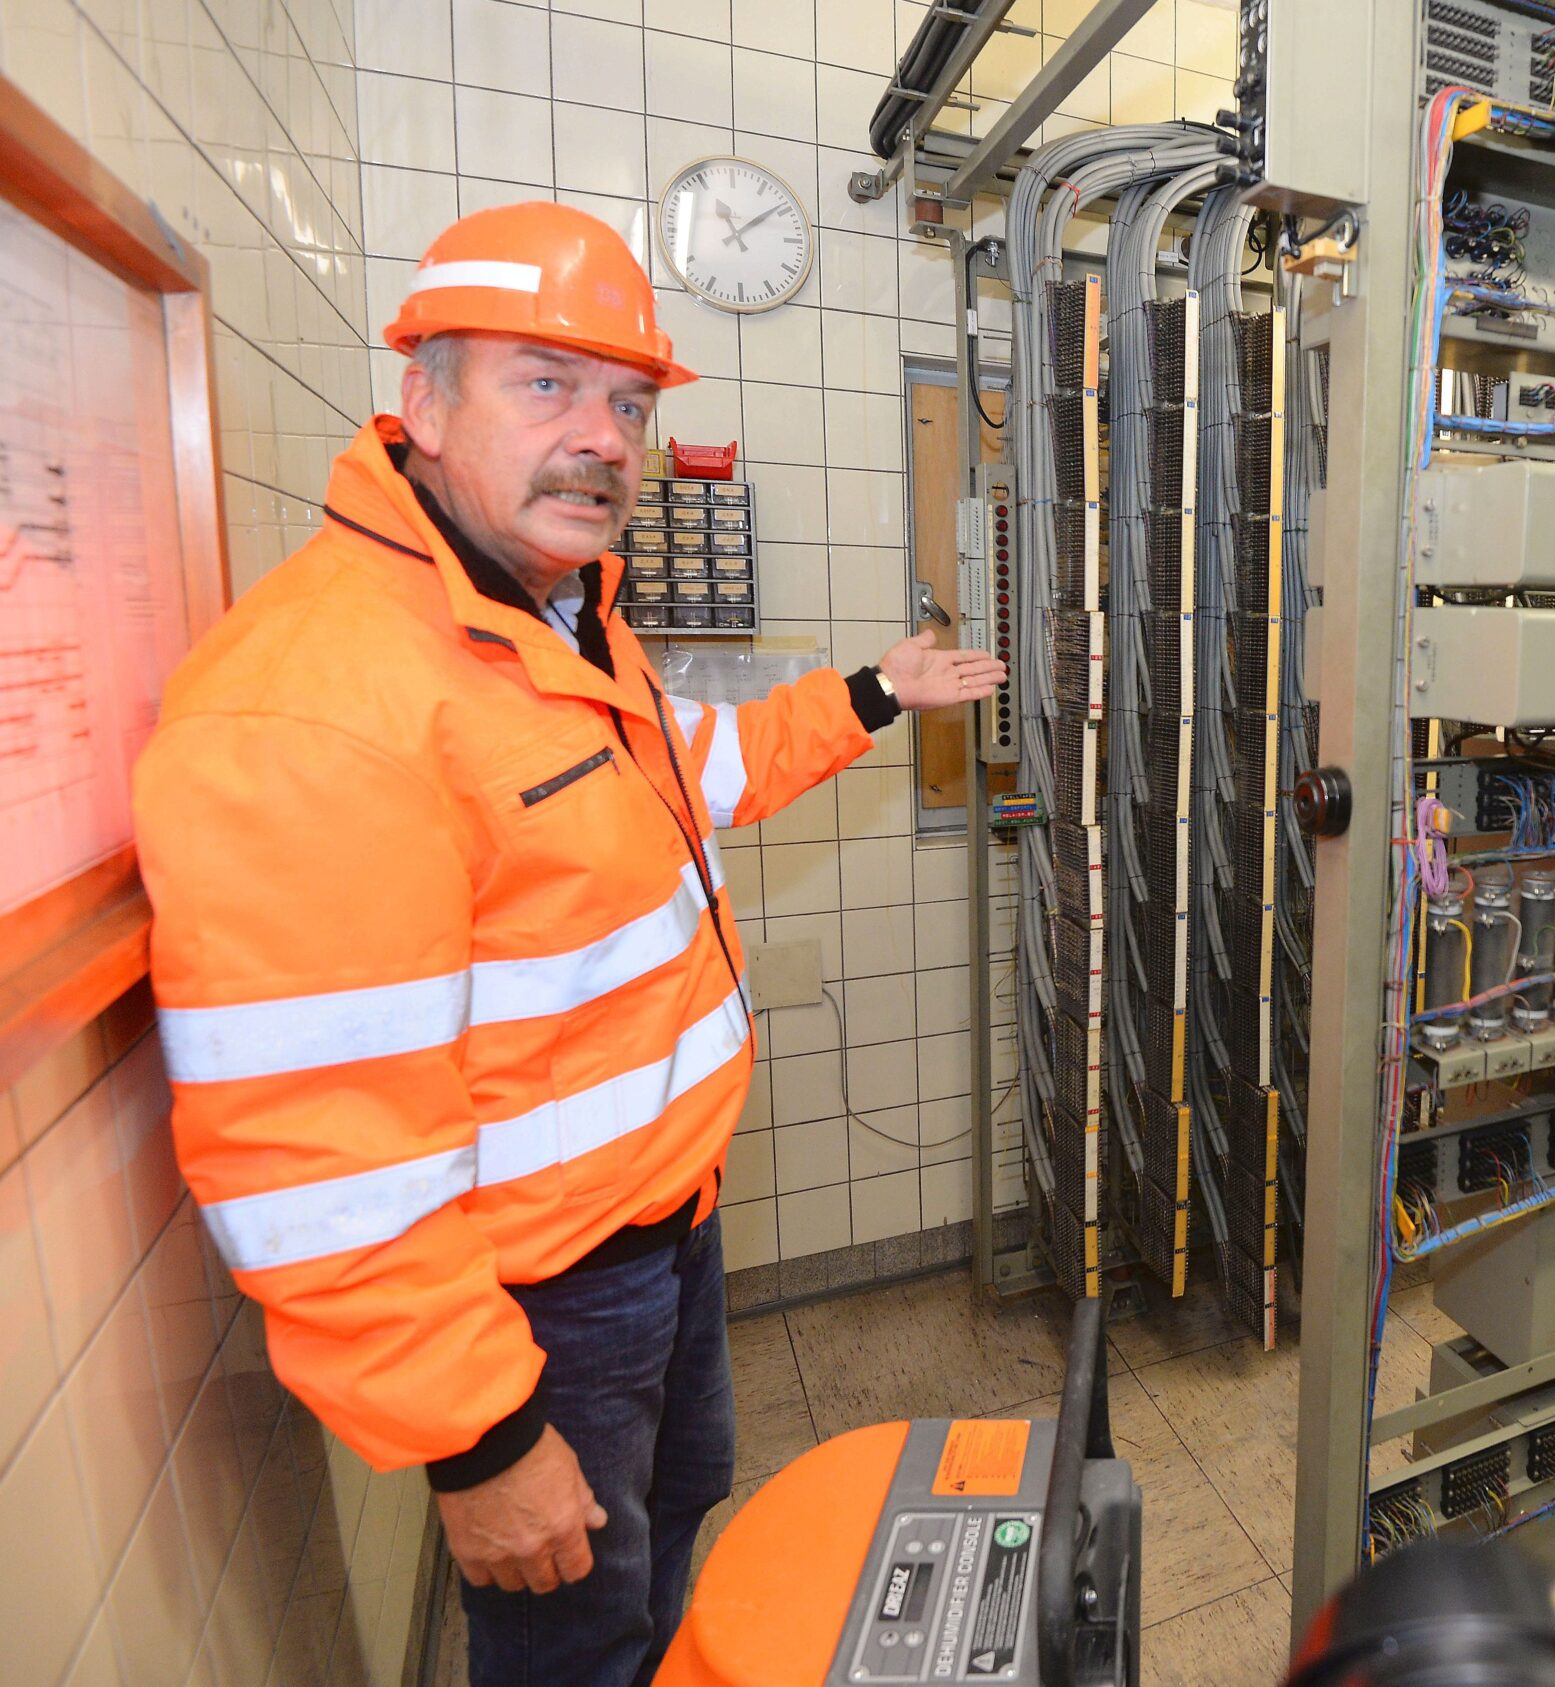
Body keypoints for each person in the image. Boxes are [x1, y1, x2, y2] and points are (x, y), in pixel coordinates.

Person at [131, 202, 1005, 1687]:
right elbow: (313, 1150)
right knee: (576, 1640)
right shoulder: (317, 700)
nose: (603, 435)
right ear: (423, 400)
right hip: (537, 1302)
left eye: (629, 401)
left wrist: (867, 693)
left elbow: (695, 775)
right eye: (546, 383)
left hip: (660, 1227)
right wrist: (477, 1440)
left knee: (654, 1569)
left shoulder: (561, 626)